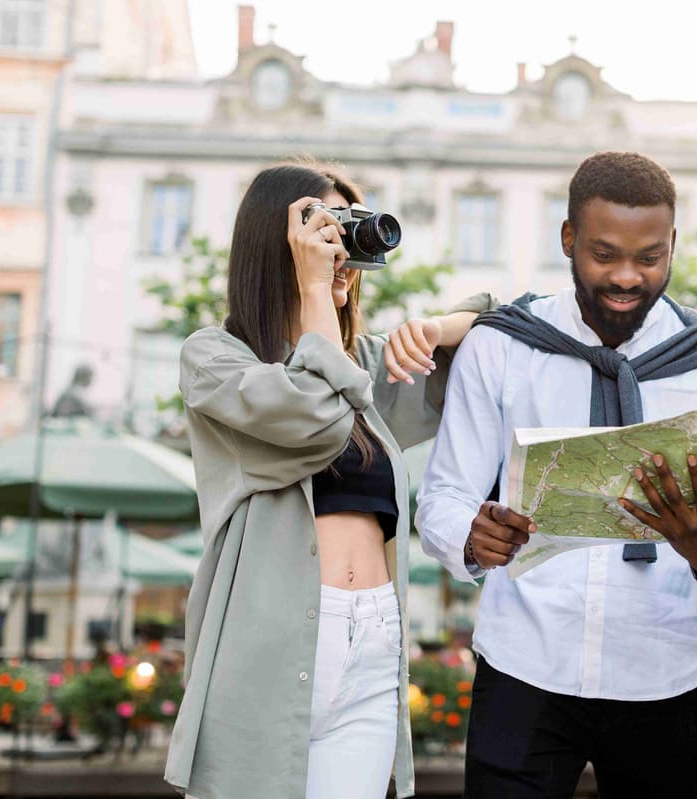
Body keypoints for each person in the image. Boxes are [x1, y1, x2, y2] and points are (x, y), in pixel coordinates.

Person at [416, 151, 697, 798]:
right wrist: (471, 534)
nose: (628, 277)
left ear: (672, 245)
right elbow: (442, 494)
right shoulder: (502, 345)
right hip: (523, 662)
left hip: (664, 671)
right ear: (568, 239)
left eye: (651, 257)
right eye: (605, 254)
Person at [163, 161, 493, 799]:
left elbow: (511, 334)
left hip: (373, 644)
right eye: (323, 232)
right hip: (265, 648)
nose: (340, 254)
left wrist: (440, 327)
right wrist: (316, 289)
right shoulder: (213, 359)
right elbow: (315, 417)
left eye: (348, 235)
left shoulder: (365, 365)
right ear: (277, 242)